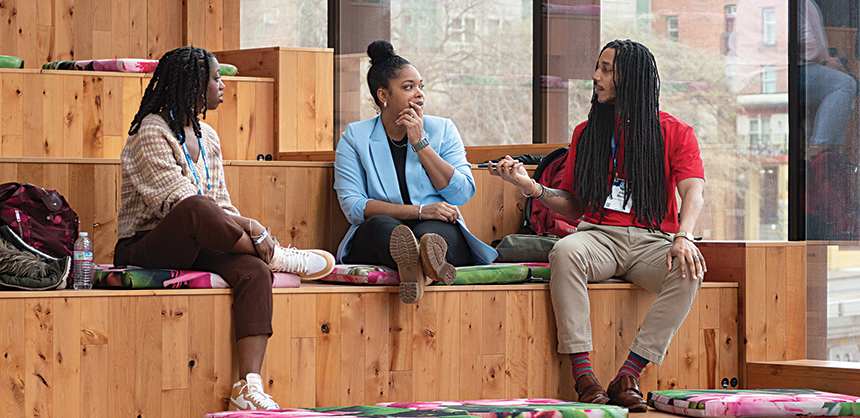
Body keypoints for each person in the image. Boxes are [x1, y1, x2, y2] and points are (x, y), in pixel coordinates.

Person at [113, 46, 335, 411]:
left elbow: (223, 207)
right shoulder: (150, 132)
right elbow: (178, 203)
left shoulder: (208, 136)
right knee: (196, 207)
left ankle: (248, 386)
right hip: (146, 243)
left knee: (254, 270)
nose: (223, 85)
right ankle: (281, 256)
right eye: (216, 79)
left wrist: (248, 231)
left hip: (199, 240)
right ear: (193, 84)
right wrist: (255, 229)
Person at [491, 40, 706, 412]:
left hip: (653, 239)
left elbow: (694, 191)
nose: (595, 76)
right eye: (598, 67)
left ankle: (628, 375)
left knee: (689, 271)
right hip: (598, 236)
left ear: (632, 78)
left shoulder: (675, 132)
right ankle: (584, 376)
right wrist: (533, 188)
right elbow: (574, 204)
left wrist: (683, 236)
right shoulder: (587, 132)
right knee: (566, 251)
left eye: (607, 69)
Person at [334, 40, 497, 304]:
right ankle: (428, 267)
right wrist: (420, 211)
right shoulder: (356, 137)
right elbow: (353, 207)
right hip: (382, 233)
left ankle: (417, 269)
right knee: (381, 226)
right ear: (383, 95)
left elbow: (462, 192)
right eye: (408, 87)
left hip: (435, 229)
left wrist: (421, 143)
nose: (419, 94)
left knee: (433, 235)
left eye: (421, 86)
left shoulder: (443, 130)